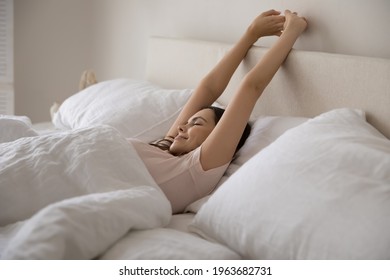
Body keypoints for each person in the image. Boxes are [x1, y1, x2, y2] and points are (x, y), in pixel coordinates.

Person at [129, 9, 308, 214]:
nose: (181, 126)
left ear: (217, 135)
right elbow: (208, 89)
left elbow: (251, 87)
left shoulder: (197, 168)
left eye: (195, 123)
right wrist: (250, 34)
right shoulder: (167, 148)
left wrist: (292, 32)